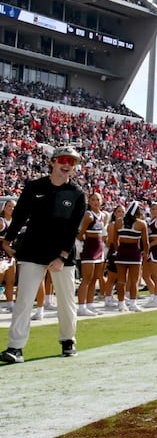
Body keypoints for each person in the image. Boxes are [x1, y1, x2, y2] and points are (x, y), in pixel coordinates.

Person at [2, 146, 87, 363]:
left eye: (72, 162)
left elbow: (74, 229)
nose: (67, 165)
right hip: (33, 249)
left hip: (62, 254)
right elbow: (20, 215)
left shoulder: (78, 194)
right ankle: (15, 348)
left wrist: (62, 256)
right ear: (53, 162)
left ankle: (68, 340)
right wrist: (7, 240)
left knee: (67, 300)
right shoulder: (34, 187)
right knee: (24, 299)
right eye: (63, 160)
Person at [75, 191, 107, 316]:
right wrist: (82, 246)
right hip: (89, 247)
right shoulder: (88, 215)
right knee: (86, 278)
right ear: (89, 202)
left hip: (99, 247)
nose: (95, 202)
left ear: (101, 201)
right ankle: (81, 306)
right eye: (93, 199)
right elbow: (80, 233)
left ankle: (90, 304)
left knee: (95, 278)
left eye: (98, 199)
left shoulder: (103, 215)